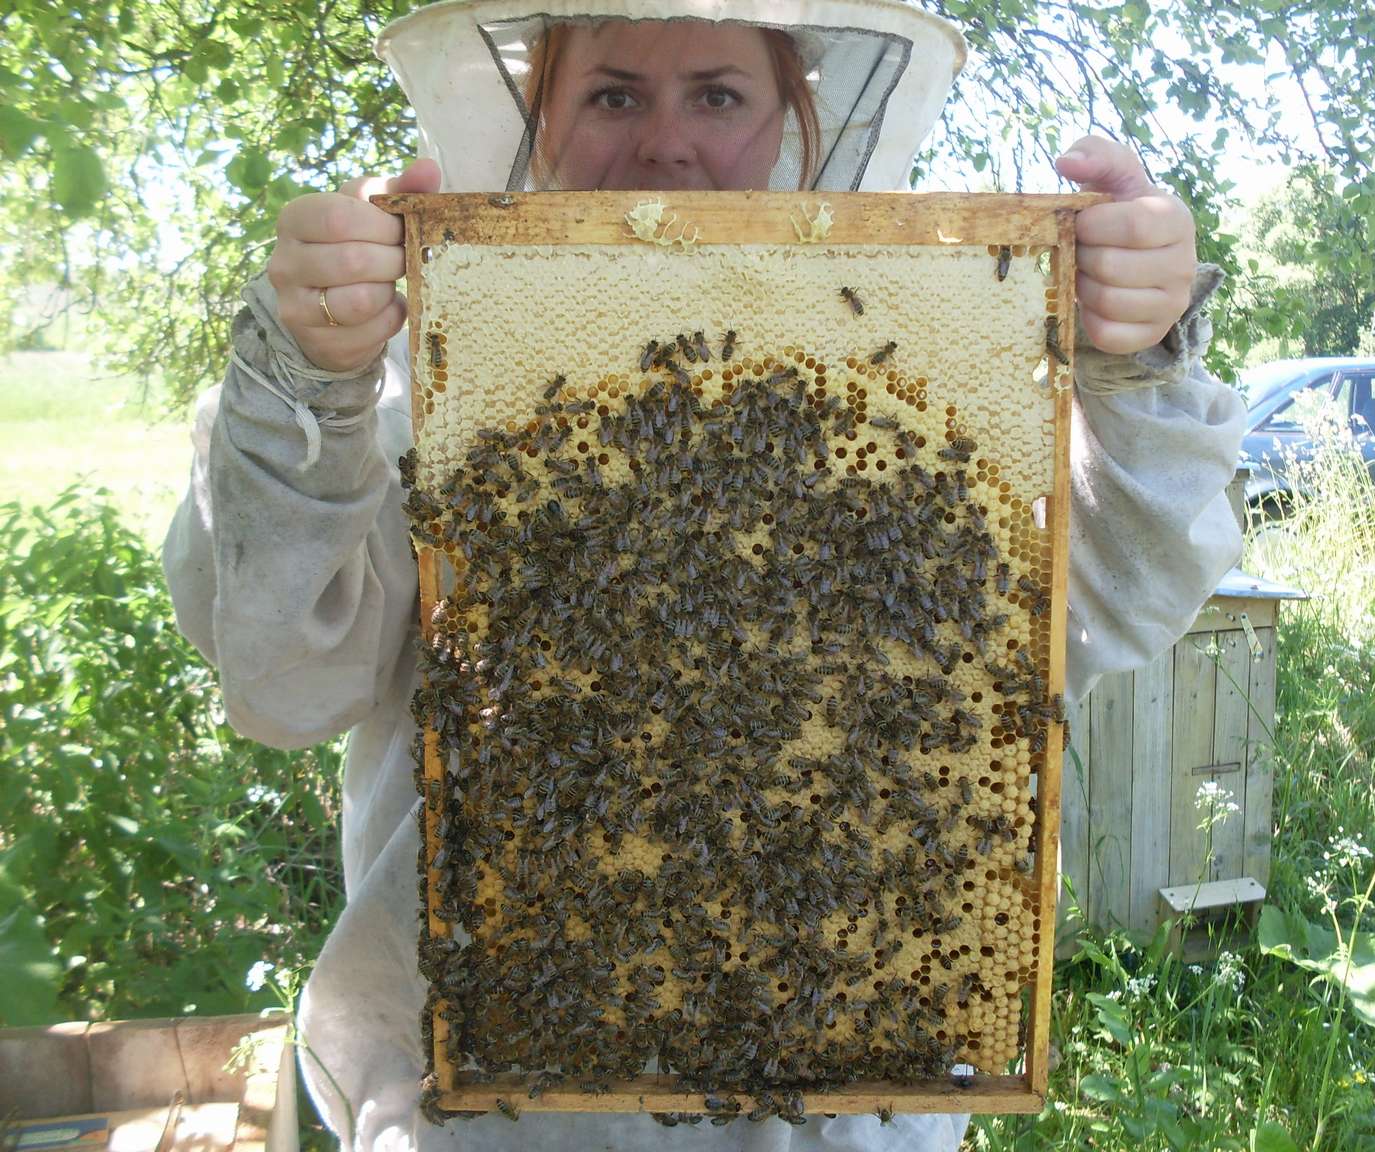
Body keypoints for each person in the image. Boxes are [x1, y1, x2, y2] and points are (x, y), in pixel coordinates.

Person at [163, 2, 1244, 1146]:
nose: (667, 142)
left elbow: (1126, 592)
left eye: (718, 95)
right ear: (542, 120)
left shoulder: (927, 384)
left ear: (795, 121)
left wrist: (1134, 368)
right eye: (613, 93)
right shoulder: (435, 381)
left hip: (847, 1098)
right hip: (501, 1113)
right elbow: (283, 680)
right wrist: (310, 384)